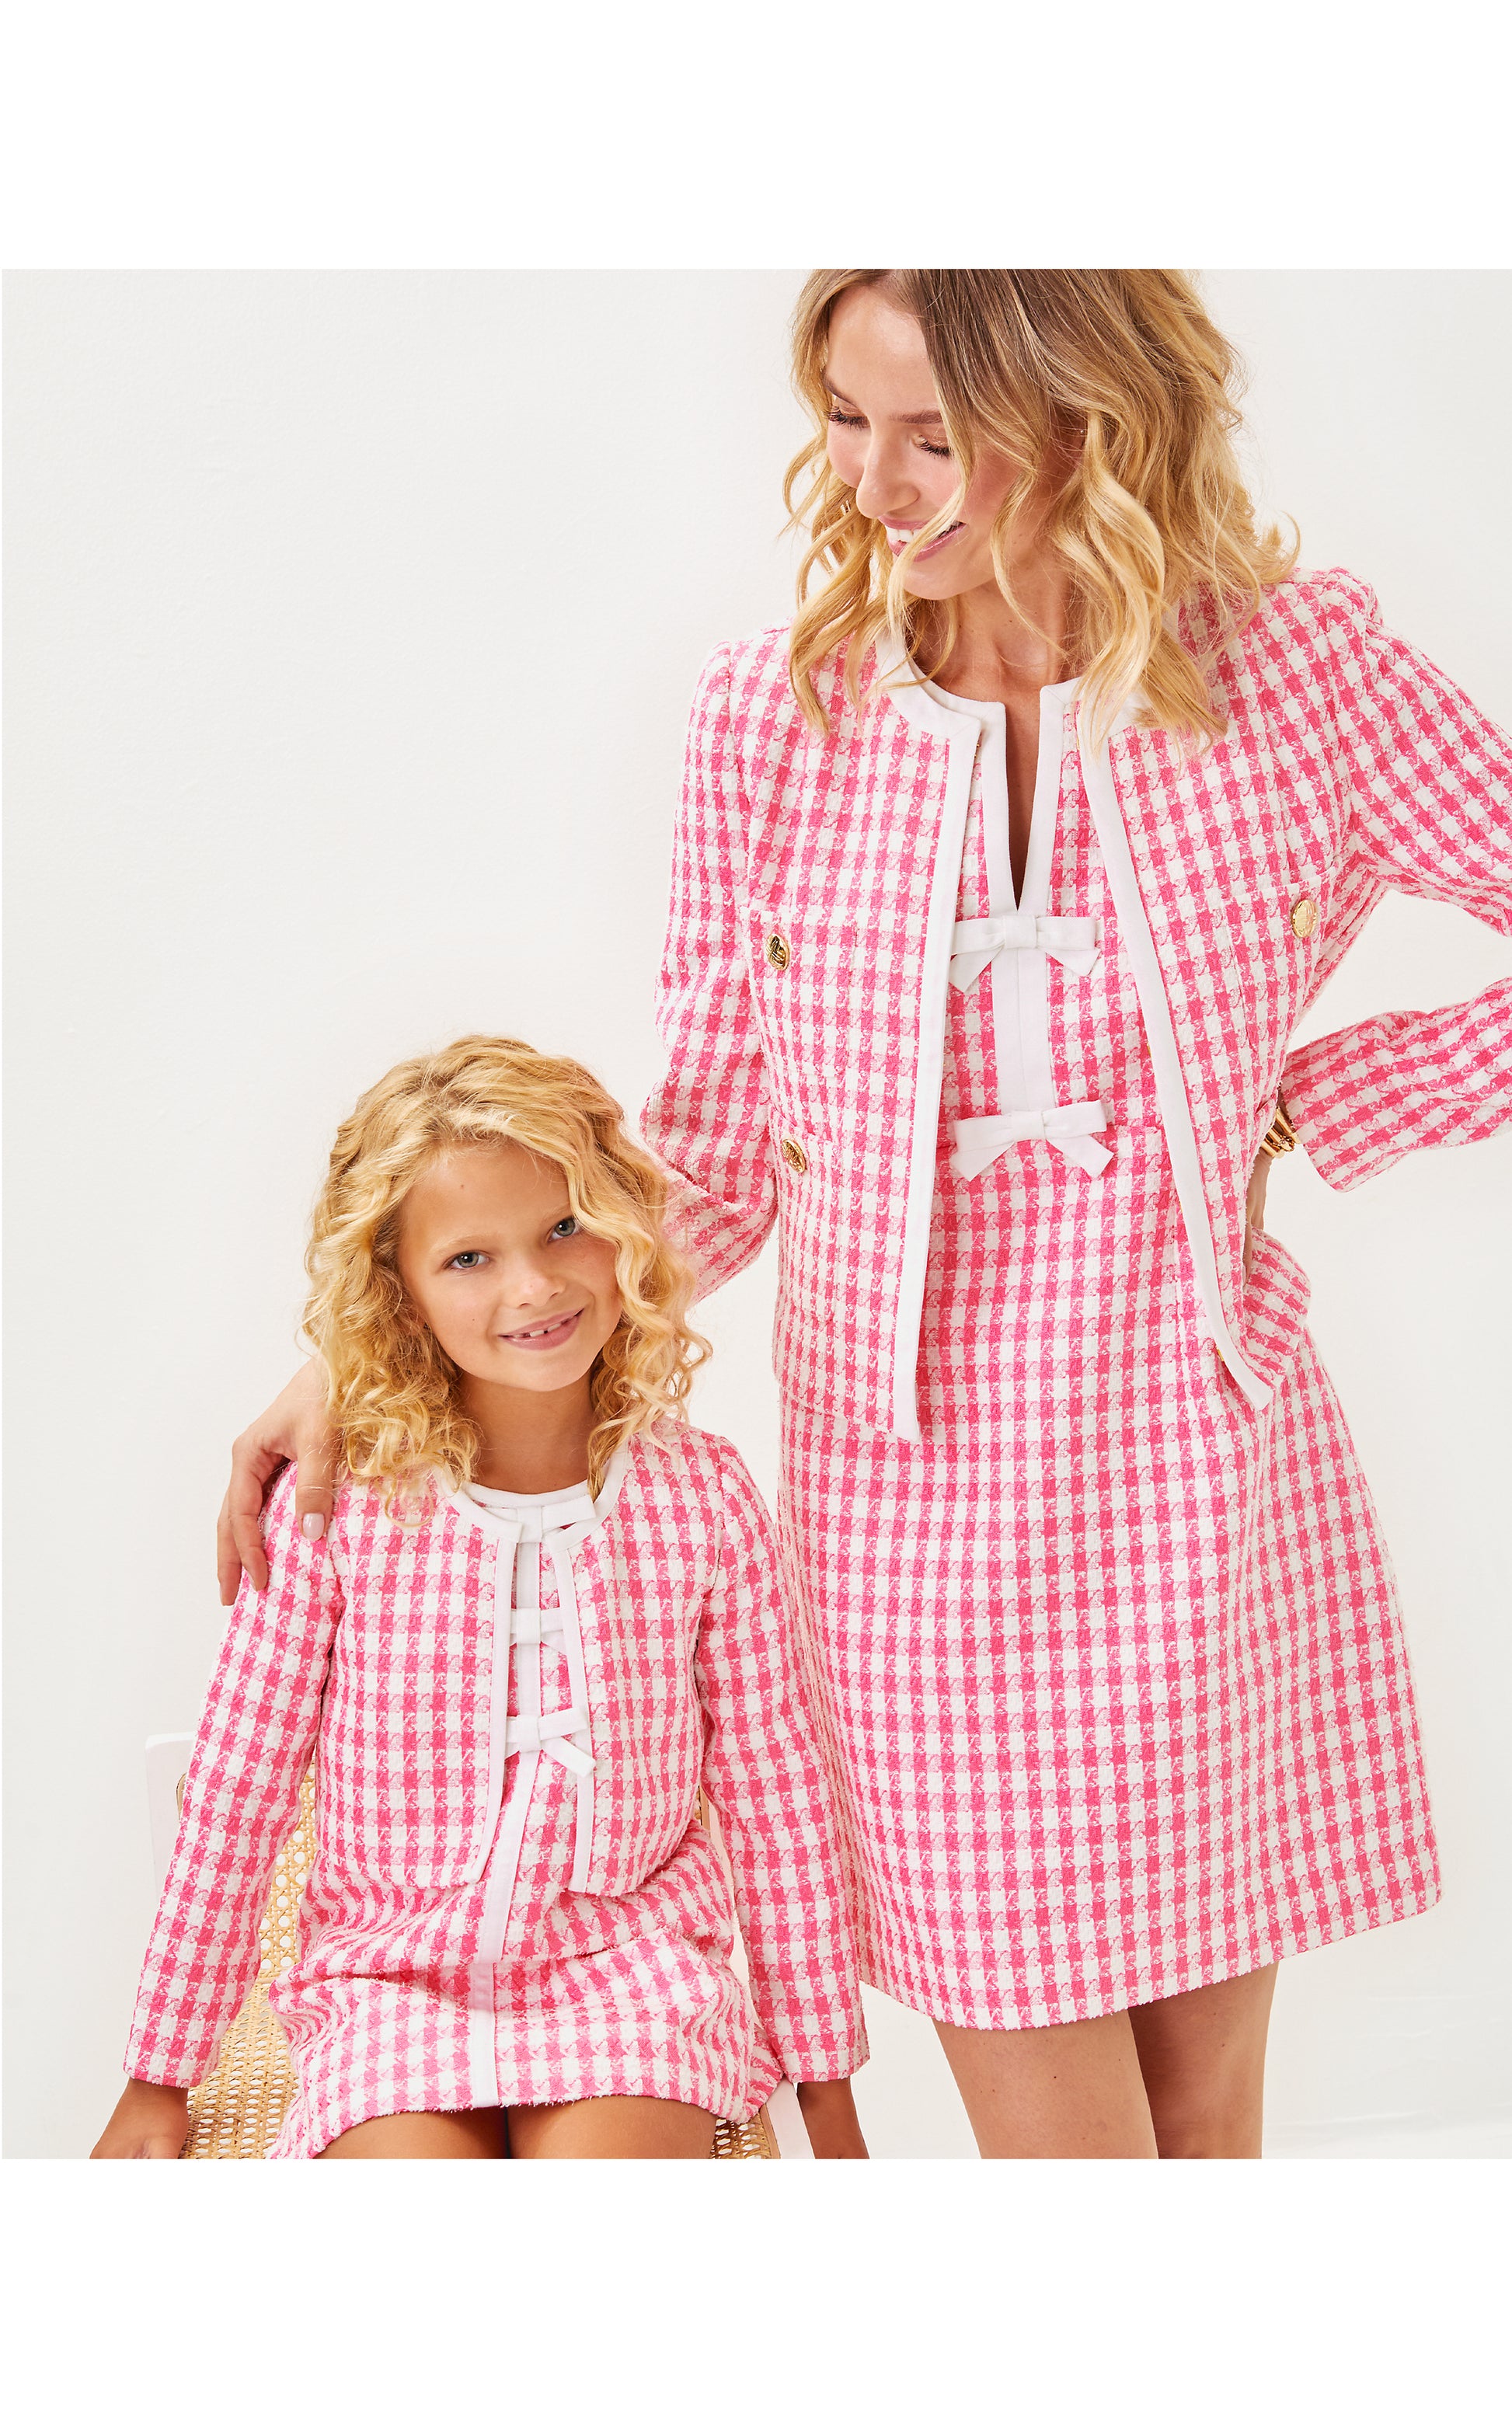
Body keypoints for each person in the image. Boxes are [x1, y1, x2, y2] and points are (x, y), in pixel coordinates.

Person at [220, 272, 1512, 2160]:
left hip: (1204, 1474)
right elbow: (711, 1154)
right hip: (917, 1524)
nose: (873, 480)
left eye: (933, 433)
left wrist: (1326, 1097)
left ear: (1090, 423)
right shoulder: (778, 721)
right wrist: (372, 1354)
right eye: (844, 418)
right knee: (1072, 2163)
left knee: (1201, 2135)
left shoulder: (1292, 674)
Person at [97, 1036, 867, 2158]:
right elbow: (238, 1788)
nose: (533, 1286)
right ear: (401, 1295)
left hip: (630, 1978)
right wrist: (158, 2073)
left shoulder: (704, 1499)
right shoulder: (334, 1507)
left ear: (625, 1230)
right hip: (388, 1982)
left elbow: (777, 1796)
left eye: (564, 1227)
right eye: (468, 1257)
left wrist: (825, 2081)